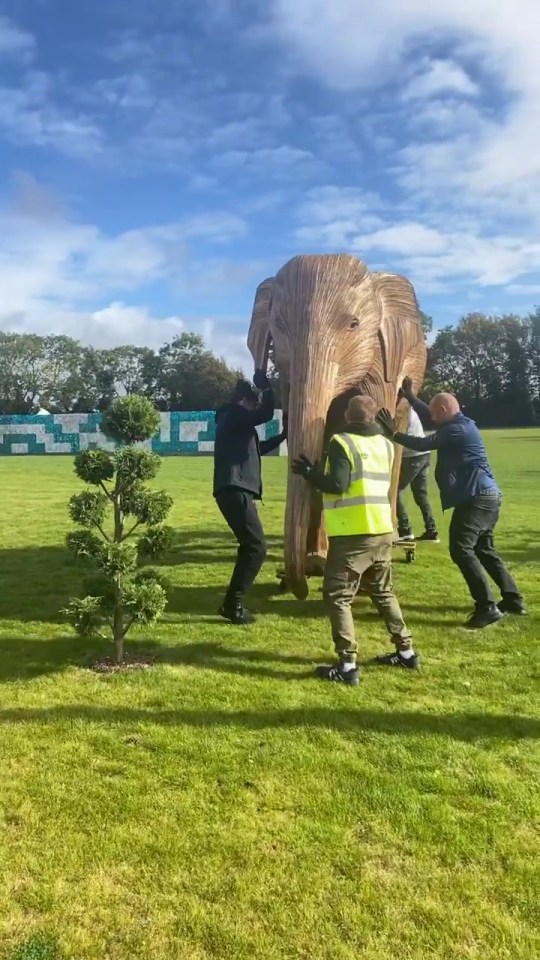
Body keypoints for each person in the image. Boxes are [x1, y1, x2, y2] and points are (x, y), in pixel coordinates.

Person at [292, 395, 419, 686]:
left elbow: (338, 483)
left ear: (348, 417)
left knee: (338, 596)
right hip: (382, 530)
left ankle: (348, 665)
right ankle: (406, 651)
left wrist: (311, 473)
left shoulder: (342, 442)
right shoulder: (386, 444)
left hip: (353, 533)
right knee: (383, 592)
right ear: (373, 417)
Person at [377, 380, 525, 629]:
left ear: (444, 410)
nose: (430, 418)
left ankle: (487, 607)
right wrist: (411, 398)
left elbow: (425, 443)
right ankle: (513, 599)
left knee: (461, 549)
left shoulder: (456, 430)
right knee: (484, 550)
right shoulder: (459, 424)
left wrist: (394, 434)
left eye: (435, 414)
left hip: (476, 498)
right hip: (486, 496)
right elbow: (428, 413)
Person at [213, 371, 287, 624]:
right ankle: (232, 605)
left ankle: (232, 604)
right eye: (254, 402)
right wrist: (267, 389)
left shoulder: (233, 422)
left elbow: (258, 449)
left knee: (252, 547)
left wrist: (283, 436)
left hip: (235, 489)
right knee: (256, 547)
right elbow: (265, 414)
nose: (256, 407)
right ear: (243, 401)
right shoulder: (232, 415)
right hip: (235, 489)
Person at [396, 404, 439, 543]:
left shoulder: (402, 411)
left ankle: (405, 531)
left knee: (395, 491)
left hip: (412, 456)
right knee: (421, 494)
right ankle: (431, 530)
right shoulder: (408, 408)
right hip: (423, 455)